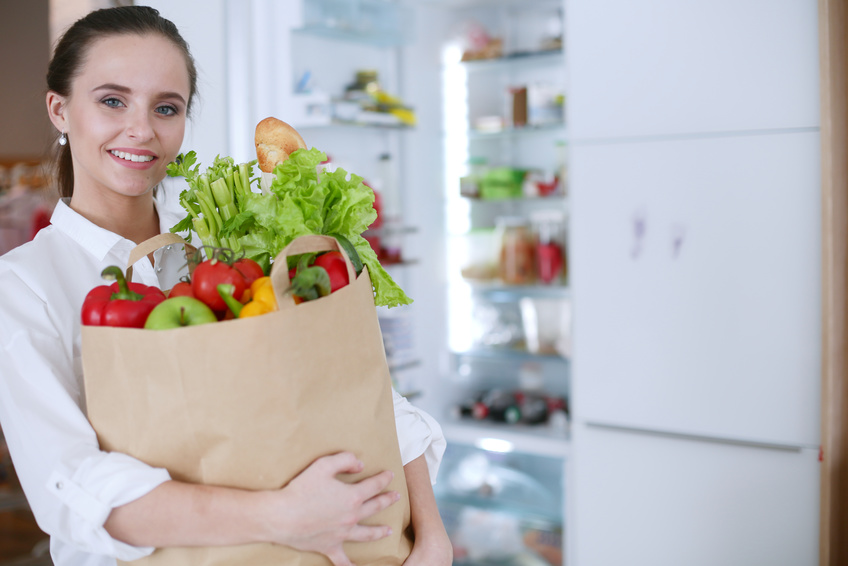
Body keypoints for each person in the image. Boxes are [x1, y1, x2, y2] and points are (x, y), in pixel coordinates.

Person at [0, 6, 451, 566]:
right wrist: (283, 516)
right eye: (112, 101)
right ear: (60, 109)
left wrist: (432, 535)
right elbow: (72, 489)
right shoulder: (24, 286)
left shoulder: (223, 247)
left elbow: (359, 386)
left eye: (167, 107)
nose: (142, 129)